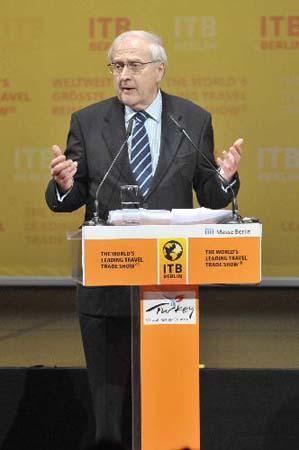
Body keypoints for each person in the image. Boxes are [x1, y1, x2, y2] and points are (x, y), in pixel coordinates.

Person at [45, 30, 242, 449]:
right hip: (106, 289)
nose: (123, 76)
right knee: (109, 419)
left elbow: (209, 192)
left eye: (134, 66)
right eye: (116, 66)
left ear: (159, 71)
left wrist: (224, 178)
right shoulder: (87, 120)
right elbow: (71, 196)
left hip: (169, 293)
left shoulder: (192, 119)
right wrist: (64, 184)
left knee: (165, 406)